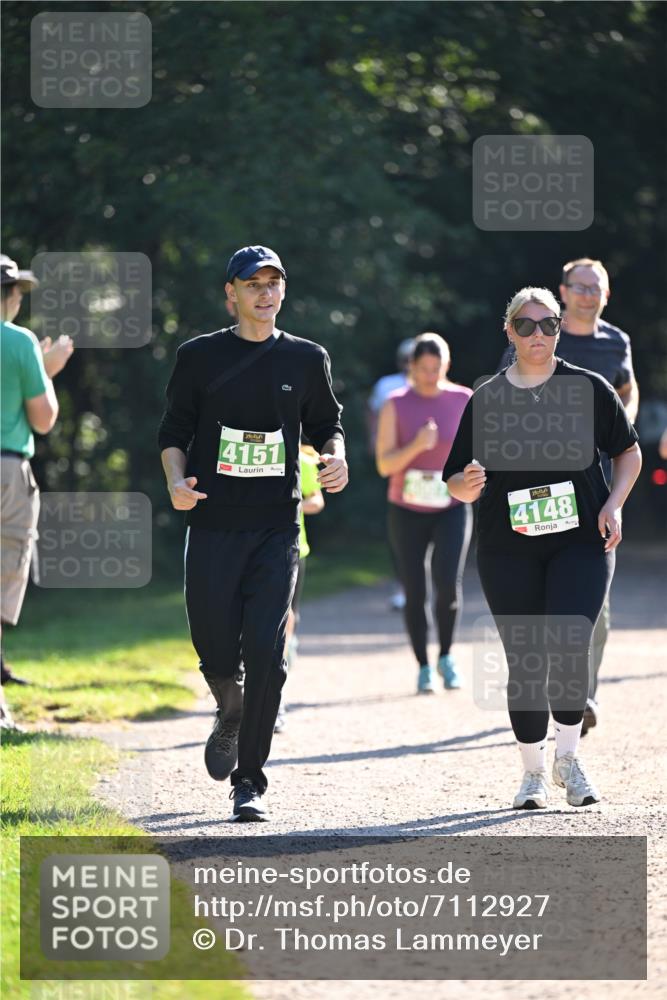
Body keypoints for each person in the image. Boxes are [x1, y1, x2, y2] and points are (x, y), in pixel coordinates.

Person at [158, 245, 347, 821]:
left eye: (274, 283)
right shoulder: (198, 357)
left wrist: (337, 457)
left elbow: (327, 425)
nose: (265, 293)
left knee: (267, 652)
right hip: (214, 523)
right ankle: (229, 707)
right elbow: (174, 431)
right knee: (215, 648)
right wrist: (174, 482)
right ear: (231, 293)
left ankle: (250, 781)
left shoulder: (307, 359)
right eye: (253, 283)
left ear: (283, 291)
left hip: (275, 526)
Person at [444, 287, 641, 809]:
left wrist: (614, 503)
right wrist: (467, 481)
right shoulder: (487, 397)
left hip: (580, 540)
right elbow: (456, 481)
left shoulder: (589, 387)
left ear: (559, 328)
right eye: (526, 326)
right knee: (526, 658)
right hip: (508, 546)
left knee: (571, 645)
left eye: (548, 325)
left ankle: (569, 761)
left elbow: (628, 451)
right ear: (509, 331)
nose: (538, 335)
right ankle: (532, 773)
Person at [497, 258, 639, 734]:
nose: (586, 294)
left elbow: (626, 391)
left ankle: (582, 691)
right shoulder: (537, 336)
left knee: (593, 602)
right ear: (563, 291)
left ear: (606, 294)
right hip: (537, 488)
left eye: (594, 287)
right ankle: (541, 694)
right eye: (578, 287)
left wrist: (616, 425)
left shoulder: (615, 341)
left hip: (595, 480)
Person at [376, 334, 473, 694]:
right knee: (414, 588)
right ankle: (422, 665)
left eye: (437, 369)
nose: (431, 376)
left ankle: (446, 656)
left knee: (448, 582)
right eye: (423, 370)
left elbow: (480, 451)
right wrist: (416, 445)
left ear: (446, 366)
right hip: (407, 507)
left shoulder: (464, 399)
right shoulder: (395, 403)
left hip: (451, 504)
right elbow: (384, 465)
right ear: (411, 368)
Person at [1, 255, 73, 695]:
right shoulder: (19, 342)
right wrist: (46, 372)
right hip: (6, 471)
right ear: (9, 295)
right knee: (5, 570)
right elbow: (43, 419)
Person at [274, 442, 325, 733]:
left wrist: (293, 502)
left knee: (286, 616)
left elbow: (317, 500)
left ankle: (282, 658)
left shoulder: (304, 460)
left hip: (295, 548)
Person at [367, 337, 416, 612]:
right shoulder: (387, 385)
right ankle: (403, 585)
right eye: (408, 358)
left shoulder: (437, 385)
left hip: (426, 469)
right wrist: (375, 442)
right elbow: (373, 414)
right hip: (394, 464)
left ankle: (422, 583)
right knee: (399, 527)